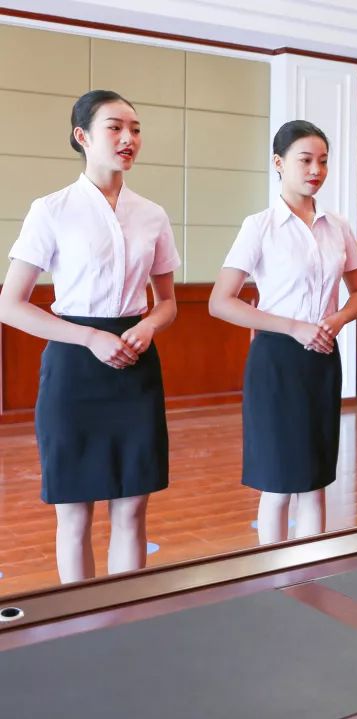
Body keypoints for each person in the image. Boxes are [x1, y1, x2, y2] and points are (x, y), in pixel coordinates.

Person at [0, 90, 180, 582]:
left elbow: (167, 303)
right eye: (115, 127)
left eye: (135, 129)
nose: (128, 138)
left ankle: (129, 613)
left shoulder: (152, 214)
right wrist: (89, 339)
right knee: (74, 512)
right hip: (74, 366)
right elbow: (10, 305)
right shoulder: (50, 209)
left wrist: (148, 325)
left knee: (132, 508)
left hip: (136, 362)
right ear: (82, 136)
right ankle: (79, 619)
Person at [209, 120, 357, 545]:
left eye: (323, 161)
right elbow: (220, 301)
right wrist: (293, 327)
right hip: (276, 360)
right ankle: (273, 572)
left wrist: (337, 320)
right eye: (305, 160)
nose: (316, 170)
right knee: (278, 482)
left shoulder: (338, 226)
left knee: (315, 480)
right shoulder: (259, 226)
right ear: (279, 163)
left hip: (323, 356)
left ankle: (311, 570)